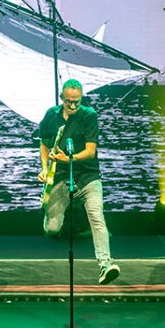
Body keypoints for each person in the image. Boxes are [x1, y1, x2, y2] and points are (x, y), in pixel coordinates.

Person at [37, 79, 120, 285]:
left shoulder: (89, 115)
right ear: (62, 98)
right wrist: (45, 169)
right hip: (61, 178)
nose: (73, 105)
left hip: (88, 177)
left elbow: (91, 151)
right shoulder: (51, 115)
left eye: (77, 101)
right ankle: (51, 213)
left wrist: (69, 159)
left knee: (97, 216)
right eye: (69, 101)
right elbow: (44, 145)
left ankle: (105, 264)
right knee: (52, 229)